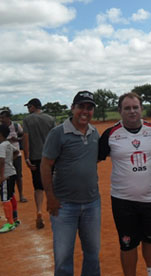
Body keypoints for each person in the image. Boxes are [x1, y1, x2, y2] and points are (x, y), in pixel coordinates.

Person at [99, 92, 151, 276]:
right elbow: (93, 159)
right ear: (120, 111)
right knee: (127, 244)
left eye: (135, 107)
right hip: (123, 200)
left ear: (141, 109)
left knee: (150, 239)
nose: (132, 111)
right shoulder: (110, 134)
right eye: (127, 108)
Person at [41, 91, 101, 276]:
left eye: (89, 108)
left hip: (92, 203)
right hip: (64, 205)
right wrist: (50, 197)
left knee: (92, 254)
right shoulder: (58, 133)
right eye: (81, 107)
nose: (85, 111)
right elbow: (45, 165)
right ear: (72, 108)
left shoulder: (94, 132)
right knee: (63, 257)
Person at [22, 98, 55, 228]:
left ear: (33, 107)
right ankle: (53, 211)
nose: (28, 109)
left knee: (38, 187)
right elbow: (55, 138)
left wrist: (26, 157)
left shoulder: (27, 120)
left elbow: (26, 139)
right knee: (51, 184)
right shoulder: (50, 119)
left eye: (28, 106)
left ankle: (39, 211)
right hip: (51, 156)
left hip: (36, 157)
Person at [0, 109, 27, 202]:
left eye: (3, 118)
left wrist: (17, 139)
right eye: (1, 118)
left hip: (16, 154)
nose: (1, 120)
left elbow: (23, 136)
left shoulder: (16, 126)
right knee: (5, 175)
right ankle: (9, 194)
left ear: (8, 118)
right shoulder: (1, 128)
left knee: (18, 175)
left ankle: (21, 195)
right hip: (4, 155)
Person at [0, 124, 20, 233]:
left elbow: (1, 161)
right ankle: (15, 218)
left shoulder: (2, 146)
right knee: (11, 195)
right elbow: (17, 152)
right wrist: (10, 161)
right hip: (12, 172)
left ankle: (10, 223)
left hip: (6, 175)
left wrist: (1, 176)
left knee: (5, 197)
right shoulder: (7, 143)